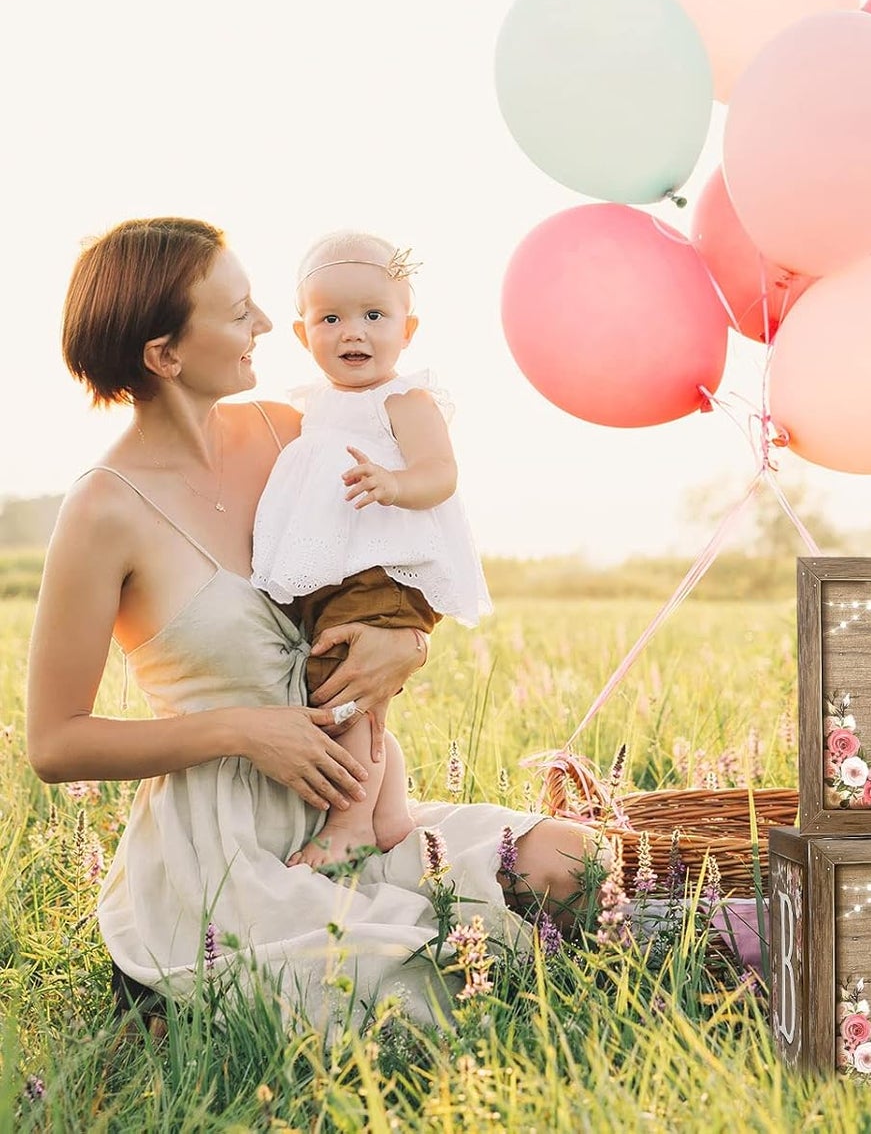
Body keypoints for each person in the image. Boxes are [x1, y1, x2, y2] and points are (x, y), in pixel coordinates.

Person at [26, 216, 597, 1031]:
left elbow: (398, 550)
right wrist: (244, 730)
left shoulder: (296, 433)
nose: (267, 325)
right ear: (164, 354)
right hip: (222, 849)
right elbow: (55, 743)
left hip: (353, 807)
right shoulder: (103, 509)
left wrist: (409, 639)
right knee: (423, 1000)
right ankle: (182, 984)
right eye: (238, 312)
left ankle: (731, 938)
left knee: (575, 861)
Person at [250, 230, 487, 872]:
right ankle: (389, 815)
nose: (353, 332)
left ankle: (349, 823)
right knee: (353, 691)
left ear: (407, 328)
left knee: (344, 688)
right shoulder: (317, 406)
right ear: (304, 334)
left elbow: (441, 471)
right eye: (331, 317)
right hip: (340, 569)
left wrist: (396, 484)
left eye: (374, 315)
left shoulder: (403, 398)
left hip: (387, 566)